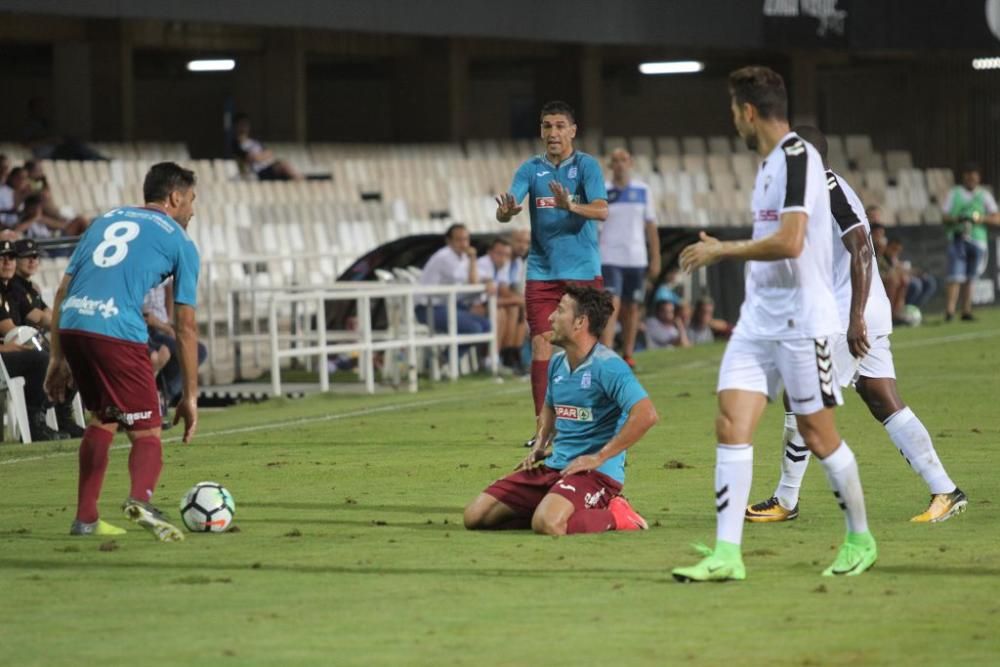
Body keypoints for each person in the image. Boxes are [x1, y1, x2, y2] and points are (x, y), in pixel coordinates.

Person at [672, 67, 876, 582]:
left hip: (803, 323)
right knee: (730, 422)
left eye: (732, 111)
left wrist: (724, 248)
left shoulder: (799, 158)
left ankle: (860, 537)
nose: (732, 121)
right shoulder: (767, 165)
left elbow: (790, 241)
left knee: (817, 431)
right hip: (757, 322)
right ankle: (727, 554)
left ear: (747, 111)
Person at [745, 125, 967, 527]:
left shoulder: (832, 193)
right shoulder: (813, 194)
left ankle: (785, 499)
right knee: (882, 398)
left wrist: (855, 318)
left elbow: (863, 250)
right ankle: (945, 490)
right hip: (860, 311)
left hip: (851, 314)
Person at [44, 162, 201, 541]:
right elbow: (186, 326)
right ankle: (140, 500)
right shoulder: (181, 243)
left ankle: (86, 518)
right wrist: (191, 396)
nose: (193, 209)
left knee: (104, 418)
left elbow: (62, 291)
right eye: (192, 200)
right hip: (117, 331)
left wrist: (57, 357)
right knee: (147, 430)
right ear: (175, 197)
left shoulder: (104, 220)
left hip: (74, 323)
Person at [464, 286, 658, 535]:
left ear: (580, 322)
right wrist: (541, 443)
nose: (550, 317)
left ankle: (617, 515)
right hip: (555, 467)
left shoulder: (609, 366)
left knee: (548, 525)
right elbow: (549, 406)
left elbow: (646, 414)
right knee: (476, 516)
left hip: (594, 474)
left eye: (559, 310)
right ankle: (552, 506)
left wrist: (599, 457)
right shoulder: (557, 362)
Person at [494, 101, 609, 446]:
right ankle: (544, 430)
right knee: (541, 343)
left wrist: (571, 205)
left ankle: (591, 426)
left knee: (585, 349)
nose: (553, 132)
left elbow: (602, 211)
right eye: (547, 126)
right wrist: (506, 212)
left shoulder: (587, 166)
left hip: (582, 272)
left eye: (560, 126)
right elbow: (509, 207)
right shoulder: (531, 169)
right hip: (542, 272)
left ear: (573, 130)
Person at [0, 239, 72, 441]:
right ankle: (35, 423)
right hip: (3, 355)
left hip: (11, 350)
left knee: (68, 353)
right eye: (2, 258)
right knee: (41, 360)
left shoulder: (10, 291)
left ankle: (59, 414)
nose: (8, 263)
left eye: (11, 258)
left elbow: (40, 316)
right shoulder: (10, 289)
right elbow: (10, 332)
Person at [599, 148, 661, 367]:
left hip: (635, 257)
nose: (619, 164)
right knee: (611, 304)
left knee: (632, 306)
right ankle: (606, 353)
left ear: (631, 163)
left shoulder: (643, 191)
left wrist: (656, 258)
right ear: (609, 165)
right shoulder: (602, 190)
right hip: (609, 256)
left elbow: (651, 226)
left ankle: (628, 353)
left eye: (623, 160)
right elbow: (595, 225)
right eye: (614, 160)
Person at [941, 163, 1000, 321]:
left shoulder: (985, 195)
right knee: (955, 276)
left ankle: (966, 310)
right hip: (957, 238)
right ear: (964, 178)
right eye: (968, 177)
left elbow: (997, 218)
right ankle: (950, 311)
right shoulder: (954, 193)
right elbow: (944, 216)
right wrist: (958, 219)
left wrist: (981, 218)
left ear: (978, 178)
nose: (971, 180)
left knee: (971, 277)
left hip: (978, 240)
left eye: (974, 177)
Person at [416, 223, 491, 344]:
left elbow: (483, 275)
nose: (464, 244)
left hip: (447, 306)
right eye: (459, 240)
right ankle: (446, 360)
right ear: (449, 241)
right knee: (475, 329)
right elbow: (473, 281)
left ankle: (446, 359)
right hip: (428, 309)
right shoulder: (444, 256)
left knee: (487, 325)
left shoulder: (460, 256)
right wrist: (473, 258)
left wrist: (488, 280)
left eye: (466, 239)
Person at [475, 237, 525, 372]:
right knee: (501, 312)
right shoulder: (483, 264)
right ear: (490, 252)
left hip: (486, 304)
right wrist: (520, 300)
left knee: (516, 309)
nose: (503, 258)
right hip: (470, 306)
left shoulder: (502, 265)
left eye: (506, 255)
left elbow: (503, 290)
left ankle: (509, 356)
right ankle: (492, 359)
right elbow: (487, 300)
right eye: (499, 253)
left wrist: (521, 301)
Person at [232, 113, 302, 181]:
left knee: (285, 169)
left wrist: (260, 156)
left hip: (268, 167)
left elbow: (269, 152)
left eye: (246, 124)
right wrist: (261, 156)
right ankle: (303, 181)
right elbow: (251, 158)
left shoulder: (254, 142)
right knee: (282, 165)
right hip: (259, 172)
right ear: (236, 126)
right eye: (241, 124)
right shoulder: (236, 144)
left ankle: (302, 181)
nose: (244, 127)